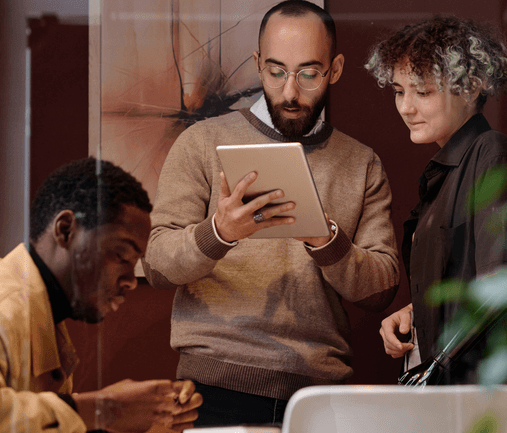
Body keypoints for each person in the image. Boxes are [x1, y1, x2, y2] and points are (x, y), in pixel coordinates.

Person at [142, 0, 399, 426]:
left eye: (308, 73)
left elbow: (381, 289)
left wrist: (326, 240)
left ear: (334, 70)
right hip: (215, 387)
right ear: (258, 64)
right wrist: (219, 232)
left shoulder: (362, 162)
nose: (290, 91)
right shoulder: (202, 142)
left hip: (319, 395)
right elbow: (157, 265)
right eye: (276, 72)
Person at [0, 158, 203, 432]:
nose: (130, 281)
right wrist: (106, 408)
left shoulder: (39, 307)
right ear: (66, 229)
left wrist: (143, 418)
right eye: (120, 255)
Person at [365, 16, 507, 382]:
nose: (406, 107)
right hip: (448, 388)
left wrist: (437, 367)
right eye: (398, 91)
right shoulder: (445, 174)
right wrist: (416, 313)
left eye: (422, 92)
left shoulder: (490, 153)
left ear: (470, 88)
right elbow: (464, 279)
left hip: (475, 391)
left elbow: (502, 283)